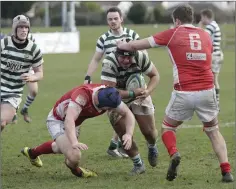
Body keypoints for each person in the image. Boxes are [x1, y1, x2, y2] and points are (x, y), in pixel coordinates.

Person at [117, 4, 234, 183]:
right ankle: (226, 171)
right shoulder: (206, 35)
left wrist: (121, 44)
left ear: (177, 20)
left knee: (167, 128)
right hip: (207, 91)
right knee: (213, 131)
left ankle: (174, 153)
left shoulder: (173, 33)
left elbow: (136, 45)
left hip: (184, 92)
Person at [21, 84, 146, 177]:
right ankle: (79, 172)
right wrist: (74, 142)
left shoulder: (108, 94)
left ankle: (32, 153)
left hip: (74, 122)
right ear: (103, 106)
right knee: (74, 155)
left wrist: (129, 134)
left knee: (60, 148)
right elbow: (69, 120)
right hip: (58, 120)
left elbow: (127, 113)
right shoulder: (82, 96)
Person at [84, 7, 141, 158]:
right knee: (117, 113)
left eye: (116, 18)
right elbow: (96, 59)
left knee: (129, 111)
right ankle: (118, 144)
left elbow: (142, 56)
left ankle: (117, 144)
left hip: (130, 79)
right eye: (110, 19)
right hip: (112, 81)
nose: (113, 21)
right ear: (107, 21)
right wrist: (88, 76)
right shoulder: (103, 39)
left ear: (121, 19)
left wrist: (143, 75)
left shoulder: (132, 35)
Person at [101, 42, 160, 167]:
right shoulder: (109, 63)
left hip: (140, 93)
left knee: (150, 132)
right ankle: (138, 164)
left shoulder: (140, 57)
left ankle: (152, 146)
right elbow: (109, 93)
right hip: (117, 99)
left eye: (129, 57)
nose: (127, 60)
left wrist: (148, 91)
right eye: (123, 57)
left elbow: (155, 75)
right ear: (117, 54)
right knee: (123, 134)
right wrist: (132, 93)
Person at [1, 15, 44, 131]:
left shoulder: (34, 49)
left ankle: (22, 109)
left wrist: (33, 76)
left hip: (12, 93)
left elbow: (40, 73)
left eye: (26, 27)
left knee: (1, 122)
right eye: (20, 27)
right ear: (14, 28)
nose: (24, 30)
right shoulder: (4, 43)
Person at [12, 32, 40, 123]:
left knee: (34, 91)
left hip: (28, 69)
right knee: (14, 90)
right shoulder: (12, 42)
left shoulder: (32, 42)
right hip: (15, 69)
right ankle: (13, 113)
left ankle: (24, 109)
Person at [199, 9, 223, 108]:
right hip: (218, 55)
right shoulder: (215, 25)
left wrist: (199, 27)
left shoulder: (210, 26)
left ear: (205, 16)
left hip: (213, 56)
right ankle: (215, 103)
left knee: (210, 80)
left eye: (202, 17)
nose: (201, 19)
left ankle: (213, 104)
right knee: (213, 80)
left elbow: (202, 37)